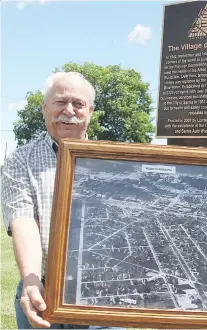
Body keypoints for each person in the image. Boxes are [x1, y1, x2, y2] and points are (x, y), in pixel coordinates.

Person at [1, 72, 123, 330]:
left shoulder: (115, 162)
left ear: (90, 110)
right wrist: (31, 280)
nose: (69, 111)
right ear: (45, 108)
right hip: (44, 292)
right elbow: (22, 220)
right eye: (59, 102)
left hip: (103, 294)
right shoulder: (20, 161)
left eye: (78, 104)